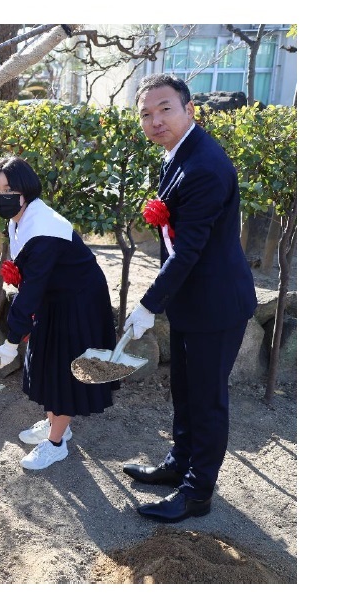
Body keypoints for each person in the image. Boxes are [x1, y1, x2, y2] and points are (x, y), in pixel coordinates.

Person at [121, 74, 257, 523]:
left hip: (216, 303)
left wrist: (147, 304)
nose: (155, 120)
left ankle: (198, 492)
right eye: (146, 113)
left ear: (189, 109)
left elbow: (191, 249)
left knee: (207, 399)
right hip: (191, 300)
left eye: (165, 109)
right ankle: (180, 463)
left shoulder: (204, 166)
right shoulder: (177, 155)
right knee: (184, 388)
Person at [0, 156, 118, 470]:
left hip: (78, 302)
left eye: (9, 189)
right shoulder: (19, 218)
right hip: (54, 296)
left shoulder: (43, 228)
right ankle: (57, 423)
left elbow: (31, 288)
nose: (0, 196)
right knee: (44, 361)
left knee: (62, 368)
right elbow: (32, 283)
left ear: (25, 189)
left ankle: (56, 443)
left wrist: (11, 340)